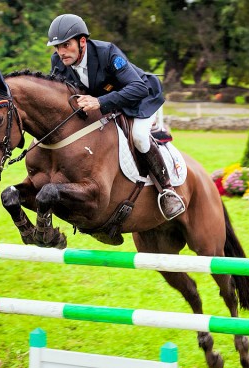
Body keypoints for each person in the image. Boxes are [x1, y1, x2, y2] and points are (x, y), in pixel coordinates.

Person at [46, 13, 184, 220]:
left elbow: (138, 88)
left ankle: (167, 190)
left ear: (82, 41)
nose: (61, 52)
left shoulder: (107, 53)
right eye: (57, 47)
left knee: (138, 136)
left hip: (140, 98)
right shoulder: (58, 61)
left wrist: (100, 102)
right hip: (105, 104)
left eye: (66, 45)